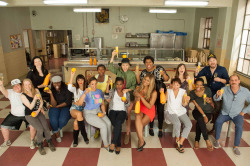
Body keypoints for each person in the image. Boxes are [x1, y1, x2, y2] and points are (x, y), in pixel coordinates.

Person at [213, 75, 250, 156]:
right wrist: (217, 95)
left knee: (239, 127)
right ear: (229, 81)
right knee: (218, 122)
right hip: (225, 112)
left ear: (239, 81)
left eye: (235, 80)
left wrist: (244, 111)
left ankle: (236, 146)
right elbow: (216, 99)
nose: (233, 82)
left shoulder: (245, 91)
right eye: (232, 80)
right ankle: (217, 140)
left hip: (237, 114)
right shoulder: (224, 89)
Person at [194, 54, 230, 133]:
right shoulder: (206, 69)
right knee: (206, 105)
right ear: (208, 62)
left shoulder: (222, 69)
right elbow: (197, 76)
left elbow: (228, 80)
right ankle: (204, 122)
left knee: (217, 108)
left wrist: (220, 80)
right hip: (209, 91)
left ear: (216, 61)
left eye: (214, 60)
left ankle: (215, 127)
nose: (212, 62)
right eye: (210, 61)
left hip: (219, 92)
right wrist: (196, 72)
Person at [108, 50, 137, 144]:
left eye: (126, 65)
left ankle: (127, 133)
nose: (125, 67)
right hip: (117, 97)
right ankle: (116, 128)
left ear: (129, 66)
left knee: (128, 112)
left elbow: (134, 86)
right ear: (121, 65)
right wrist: (112, 56)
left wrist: (127, 90)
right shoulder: (118, 71)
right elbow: (110, 67)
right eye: (123, 65)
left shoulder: (132, 74)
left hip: (128, 97)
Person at [136, 56, 169, 137]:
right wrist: (137, 74)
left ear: (153, 62)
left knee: (160, 110)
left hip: (160, 91)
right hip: (150, 93)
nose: (148, 64)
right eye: (146, 62)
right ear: (144, 64)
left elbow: (166, 79)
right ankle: (151, 127)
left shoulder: (159, 68)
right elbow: (140, 83)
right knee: (151, 108)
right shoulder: (144, 72)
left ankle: (160, 128)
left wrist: (164, 74)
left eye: (150, 62)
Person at [21, 79, 55, 155]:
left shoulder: (36, 90)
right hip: (30, 115)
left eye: (29, 84)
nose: (28, 86)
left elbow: (41, 100)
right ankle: (40, 145)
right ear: (23, 86)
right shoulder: (23, 95)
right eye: (25, 85)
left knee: (46, 127)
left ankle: (49, 142)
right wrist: (34, 99)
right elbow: (30, 107)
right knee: (40, 129)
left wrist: (40, 109)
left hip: (38, 112)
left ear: (31, 84)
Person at [76, 77, 111, 151]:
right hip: (89, 113)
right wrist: (85, 93)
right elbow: (79, 103)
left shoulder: (99, 91)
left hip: (98, 111)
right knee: (103, 125)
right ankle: (106, 144)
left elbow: (102, 104)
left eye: (95, 83)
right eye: (92, 84)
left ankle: (110, 141)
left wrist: (103, 113)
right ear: (89, 84)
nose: (94, 86)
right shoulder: (86, 92)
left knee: (109, 123)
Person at [0, 79, 36, 149]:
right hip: (14, 115)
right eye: (14, 86)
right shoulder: (10, 92)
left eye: (18, 85)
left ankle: (32, 140)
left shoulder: (26, 92)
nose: (16, 87)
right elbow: (3, 91)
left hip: (27, 114)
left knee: (33, 126)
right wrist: (1, 85)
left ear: (21, 85)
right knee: (3, 127)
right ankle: (6, 141)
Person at [163, 78, 192, 153]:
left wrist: (187, 100)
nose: (175, 86)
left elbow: (184, 104)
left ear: (180, 85)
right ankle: (177, 139)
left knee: (189, 124)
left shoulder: (183, 91)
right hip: (170, 111)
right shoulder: (168, 91)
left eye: (177, 85)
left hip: (180, 111)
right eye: (174, 84)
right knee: (177, 123)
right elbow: (163, 101)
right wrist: (162, 93)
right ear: (171, 84)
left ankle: (180, 142)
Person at [104, 77, 130, 154]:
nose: (119, 86)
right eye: (117, 84)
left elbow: (128, 104)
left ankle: (113, 142)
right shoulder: (112, 91)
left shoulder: (126, 93)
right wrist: (107, 84)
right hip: (112, 111)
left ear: (123, 85)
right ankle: (118, 144)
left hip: (122, 111)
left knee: (118, 122)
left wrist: (125, 100)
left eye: (120, 84)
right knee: (117, 125)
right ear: (115, 85)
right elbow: (106, 97)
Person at [45, 76, 72, 143]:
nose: (56, 85)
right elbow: (53, 104)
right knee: (53, 120)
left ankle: (54, 129)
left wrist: (58, 106)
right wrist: (51, 94)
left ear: (61, 82)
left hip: (65, 106)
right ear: (52, 83)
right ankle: (57, 135)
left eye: (58, 83)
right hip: (55, 106)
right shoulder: (50, 89)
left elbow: (68, 102)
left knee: (62, 120)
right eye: (55, 83)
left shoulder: (67, 88)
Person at [134, 73, 157, 152]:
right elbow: (136, 102)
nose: (145, 81)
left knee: (139, 124)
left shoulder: (154, 92)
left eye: (148, 80)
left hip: (149, 109)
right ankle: (141, 140)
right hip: (140, 107)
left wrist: (140, 97)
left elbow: (150, 106)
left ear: (151, 82)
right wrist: (136, 97)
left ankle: (140, 141)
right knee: (137, 117)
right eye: (144, 79)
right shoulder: (139, 88)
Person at [189, 78, 214, 151]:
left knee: (200, 122)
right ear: (194, 85)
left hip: (208, 111)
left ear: (203, 85)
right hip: (197, 111)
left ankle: (197, 140)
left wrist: (209, 101)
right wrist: (204, 115)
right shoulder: (192, 93)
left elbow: (210, 101)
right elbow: (197, 106)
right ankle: (207, 140)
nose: (199, 86)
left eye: (201, 85)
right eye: (197, 84)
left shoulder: (207, 90)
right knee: (201, 119)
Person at [68, 71, 89, 147]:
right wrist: (72, 75)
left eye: (82, 80)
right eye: (78, 80)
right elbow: (69, 87)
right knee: (79, 114)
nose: (80, 82)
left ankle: (75, 140)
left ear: (84, 80)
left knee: (76, 123)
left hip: (83, 109)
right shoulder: (75, 89)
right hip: (74, 108)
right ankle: (84, 136)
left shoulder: (87, 90)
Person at [94, 64, 110, 139]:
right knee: (96, 110)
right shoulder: (95, 77)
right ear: (97, 70)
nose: (101, 71)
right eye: (99, 69)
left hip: (105, 97)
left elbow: (108, 92)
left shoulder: (108, 78)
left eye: (102, 69)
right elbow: (92, 89)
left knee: (104, 108)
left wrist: (103, 99)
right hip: (96, 97)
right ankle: (98, 129)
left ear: (105, 70)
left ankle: (105, 126)